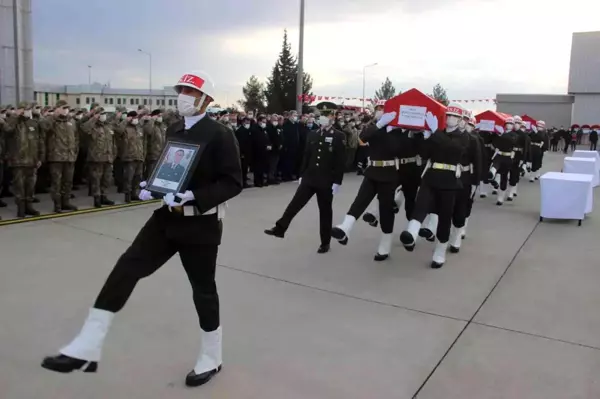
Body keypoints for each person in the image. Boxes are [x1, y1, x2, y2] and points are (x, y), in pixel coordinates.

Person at [41, 70, 243, 388]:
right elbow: (169, 164)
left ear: (206, 100)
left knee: (203, 290)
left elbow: (233, 181)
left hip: (199, 224)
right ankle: (87, 345)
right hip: (166, 219)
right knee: (126, 267)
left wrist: (195, 196)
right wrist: (153, 183)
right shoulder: (175, 127)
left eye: (190, 92)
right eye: (181, 90)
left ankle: (211, 356)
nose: (183, 96)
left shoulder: (220, 134)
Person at [399, 103, 472, 269]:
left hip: (449, 181)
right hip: (431, 176)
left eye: (454, 116)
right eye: (448, 116)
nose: (450, 119)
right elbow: (424, 154)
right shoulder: (437, 134)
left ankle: (440, 251)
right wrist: (425, 137)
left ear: (461, 120)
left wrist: (434, 132)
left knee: (445, 218)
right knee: (421, 205)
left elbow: (454, 148)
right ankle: (411, 233)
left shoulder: (463, 136)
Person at [264, 115, 346, 254]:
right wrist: (301, 174)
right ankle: (280, 229)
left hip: (326, 180)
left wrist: (337, 181)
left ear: (332, 120)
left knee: (325, 212)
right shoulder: (312, 134)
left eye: (326, 118)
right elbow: (307, 155)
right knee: (295, 204)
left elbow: (340, 161)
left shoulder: (339, 136)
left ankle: (325, 242)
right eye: (322, 117)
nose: (323, 120)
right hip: (310, 177)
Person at [330, 109, 400, 261]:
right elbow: (362, 137)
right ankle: (345, 228)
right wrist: (380, 124)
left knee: (386, 210)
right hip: (372, 171)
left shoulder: (399, 132)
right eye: (378, 110)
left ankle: (385, 244)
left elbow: (396, 149)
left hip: (389, 174)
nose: (380, 113)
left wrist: (394, 128)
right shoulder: (375, 127)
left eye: (383, 110)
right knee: (359, 201)